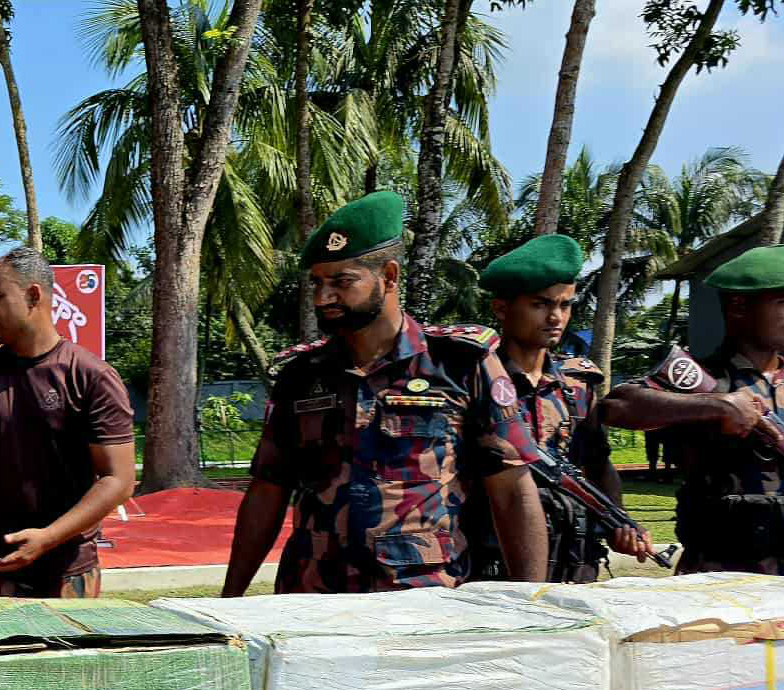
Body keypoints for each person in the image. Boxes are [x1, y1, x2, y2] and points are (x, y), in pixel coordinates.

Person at [222, 191, 549, 596]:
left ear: (389, 276)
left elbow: (513, 489)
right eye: (318, 283)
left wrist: (531, 601)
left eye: (342, 282)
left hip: (422, 597)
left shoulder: (460, 364)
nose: (324, 298)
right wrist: (232, 597)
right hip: (312, 599)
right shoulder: (301, 376)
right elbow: (268, 490)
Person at [0, 246, 136, 598]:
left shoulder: (90, 375)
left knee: (68, 656)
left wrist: (49, 536)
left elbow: (119, 479)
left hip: (68, 570)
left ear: (32, 296)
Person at [602, 244, 784, 574]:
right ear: (738, 306)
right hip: (718, 576)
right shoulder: (701, 380)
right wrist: (718, 406)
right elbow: (617, 405)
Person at [464, 234, 652, 581]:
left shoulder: (577, 385)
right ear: (502, 308)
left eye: (565, 305)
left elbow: (597, 461)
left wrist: (619, 519)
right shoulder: (472, 380)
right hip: (492, 563)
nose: (556, 317)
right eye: (541, 304)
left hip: (573, 559)